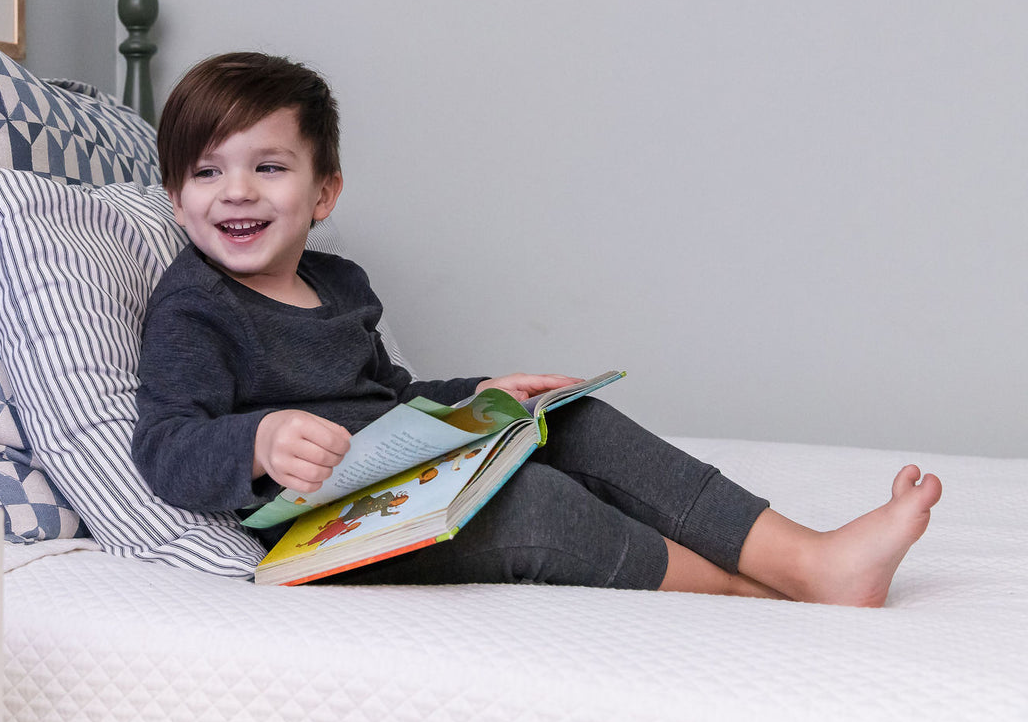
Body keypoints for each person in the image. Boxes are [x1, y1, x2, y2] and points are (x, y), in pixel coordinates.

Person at [131, 52, 942, 605]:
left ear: (323, 193)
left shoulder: (339, 283)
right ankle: (758, 588)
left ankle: (804, 553)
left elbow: (391, 398)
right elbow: (165, 442)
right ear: (175, 200)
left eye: (267, 167)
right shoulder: (196, 305)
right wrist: (260, 441)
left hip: (399, 481)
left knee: (566, 419)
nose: (235, 191)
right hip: (328, 531)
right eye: (206, 172)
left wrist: (477, 396)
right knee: (533, 500)